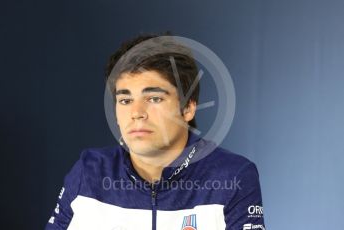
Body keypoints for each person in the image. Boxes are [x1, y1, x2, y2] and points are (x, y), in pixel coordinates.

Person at [45, 33, 265, 230]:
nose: (137, 113)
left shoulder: (233, 176)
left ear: (188, 108)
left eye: (154, 98)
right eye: (125, 100)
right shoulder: (89, 171)